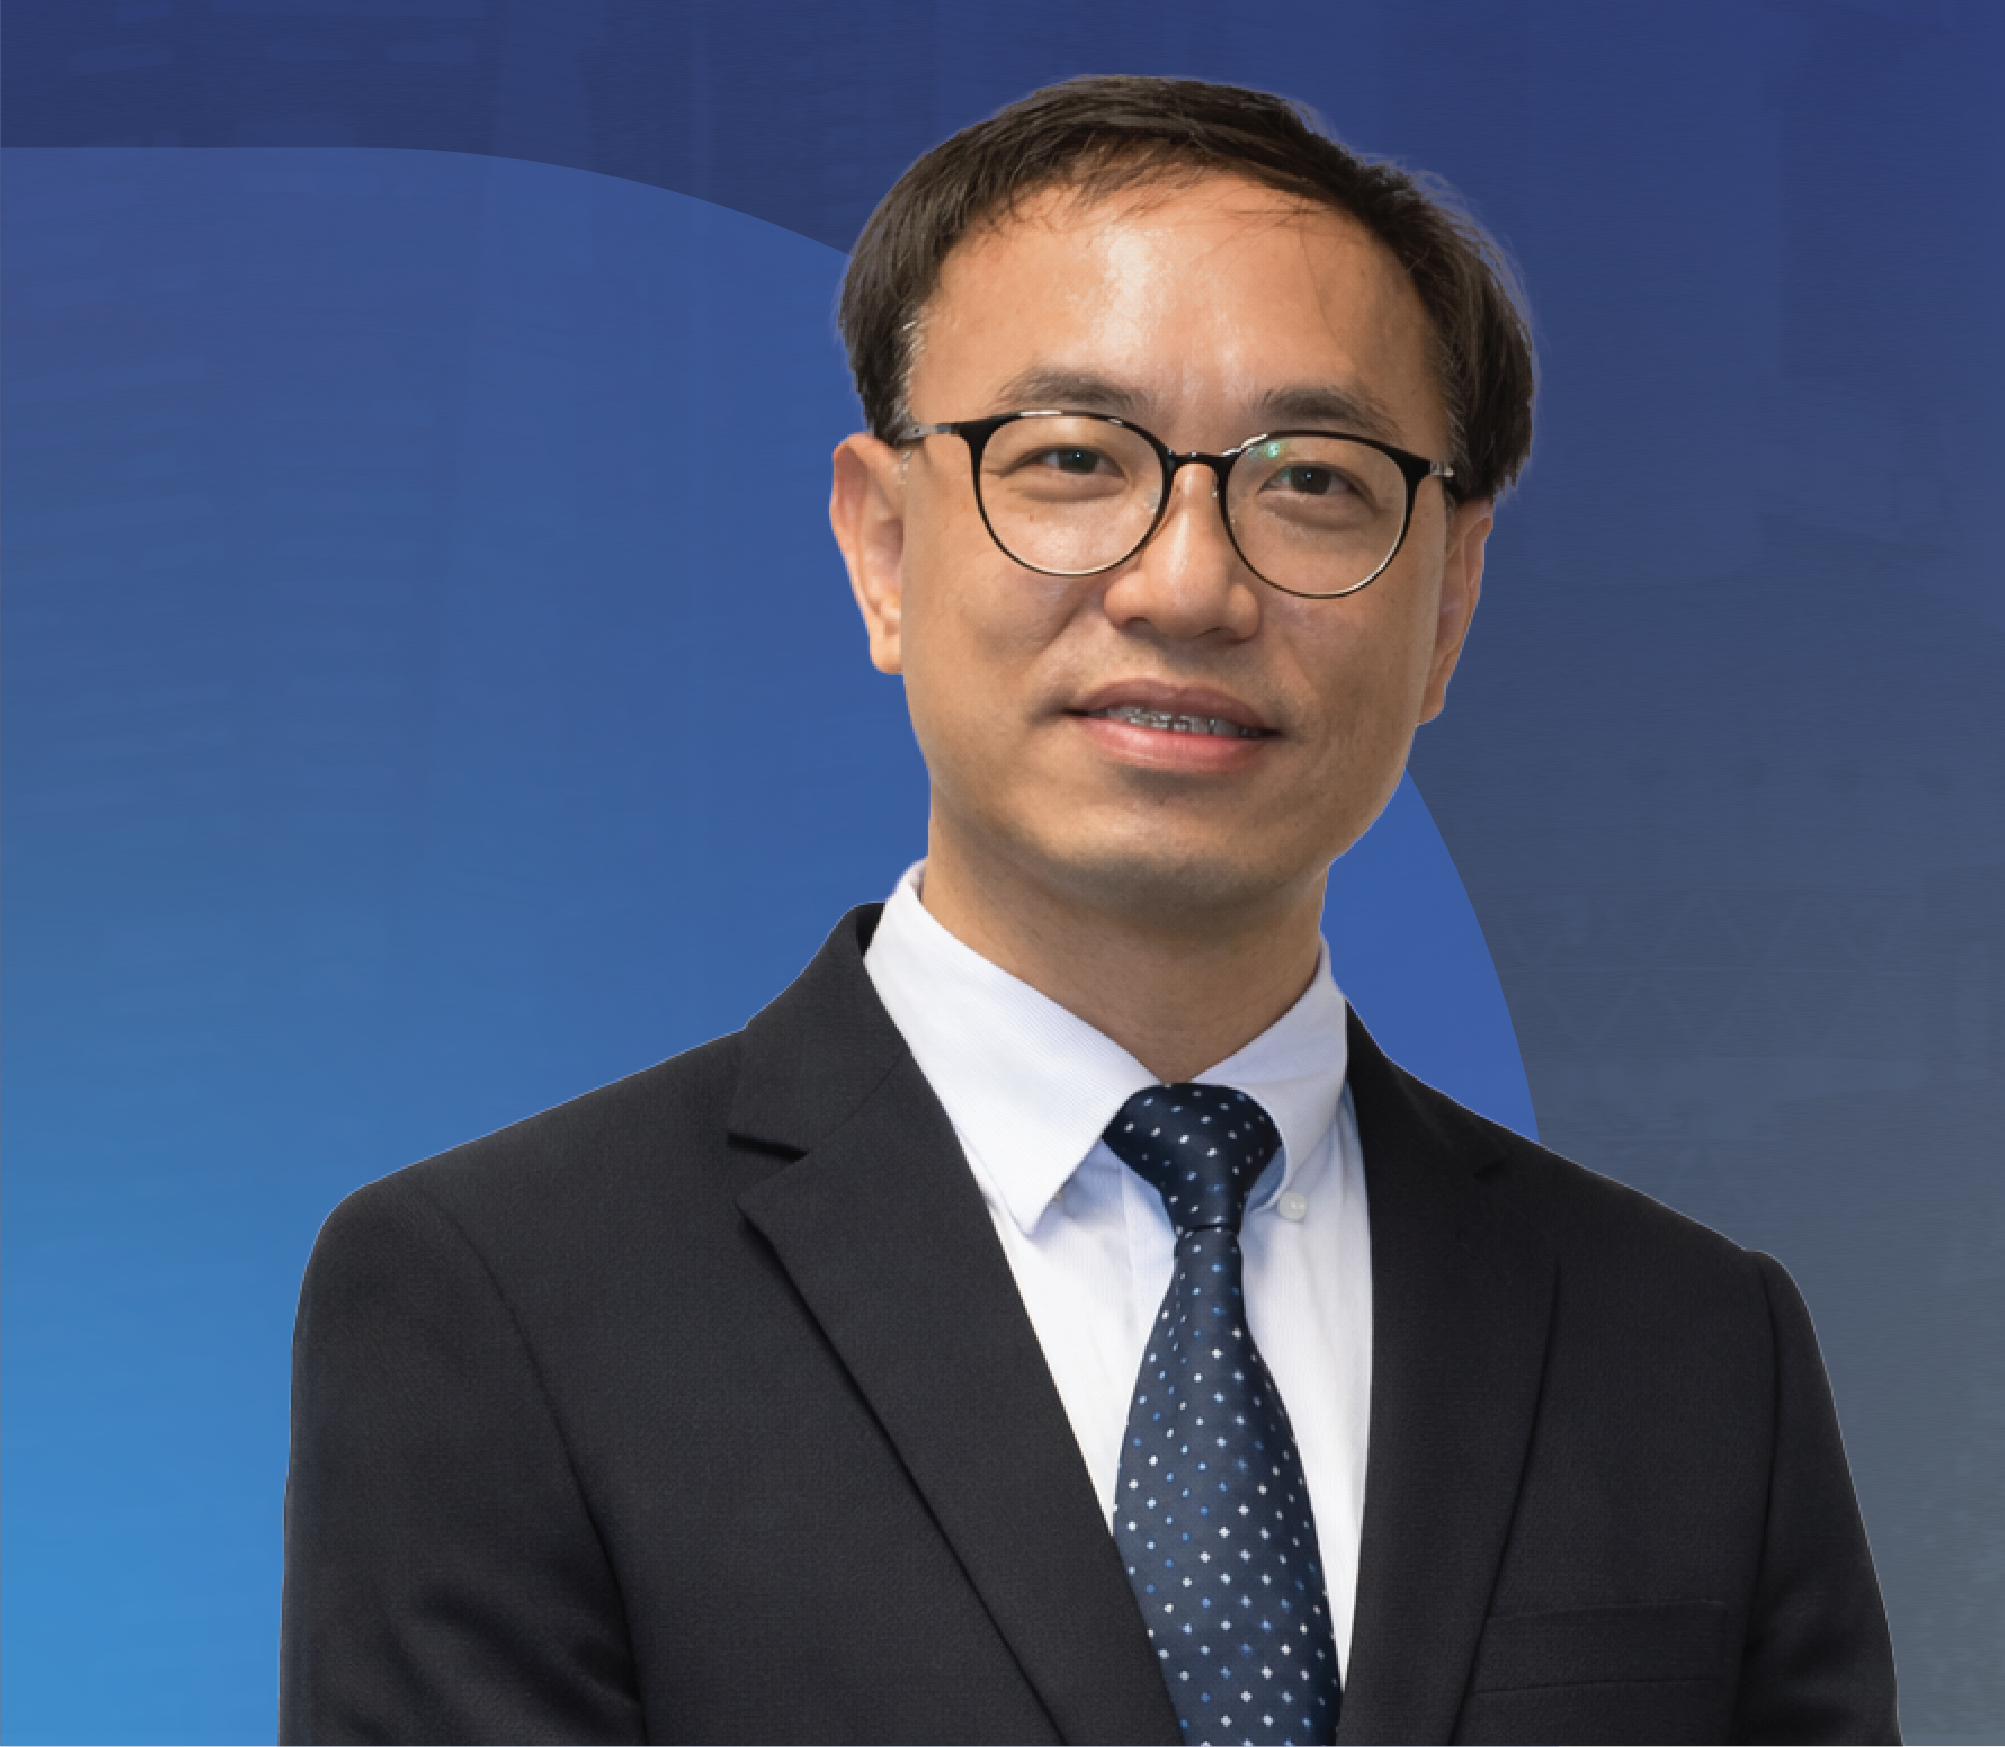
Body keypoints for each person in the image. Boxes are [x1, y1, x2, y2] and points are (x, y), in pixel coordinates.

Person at [279, 75, 1899, 1746]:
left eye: (1316, 481)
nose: (1188, 581)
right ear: (882, 546)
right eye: (1071, 460)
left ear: (1452, 600)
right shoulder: (507, 1300)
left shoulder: (1700, 1351)